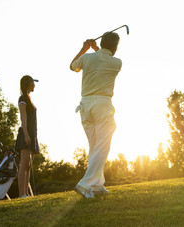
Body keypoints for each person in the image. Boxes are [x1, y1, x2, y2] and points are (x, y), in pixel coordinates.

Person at [70, 32, 122, 198]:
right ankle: (85, 184)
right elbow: (104, 57)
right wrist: (96, 48)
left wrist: (84, 49)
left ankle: (97, 184)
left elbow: (73, 66)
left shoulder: (87, 58)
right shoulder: (116, 62)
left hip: (85, 106)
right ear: (114, 47)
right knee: (102, 146)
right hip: (102, 106)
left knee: (95, 146)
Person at [15, 75, 40, 198]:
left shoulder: (29, 99)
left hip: (33, 134)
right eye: (32, 83)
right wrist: (26, 135)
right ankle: (22, 194)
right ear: (27, 84)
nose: (34, 85)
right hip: (26, 134)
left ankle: (26, 194)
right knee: (24, 164)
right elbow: (23, 118)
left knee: (29, 166)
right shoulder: (22, 99)